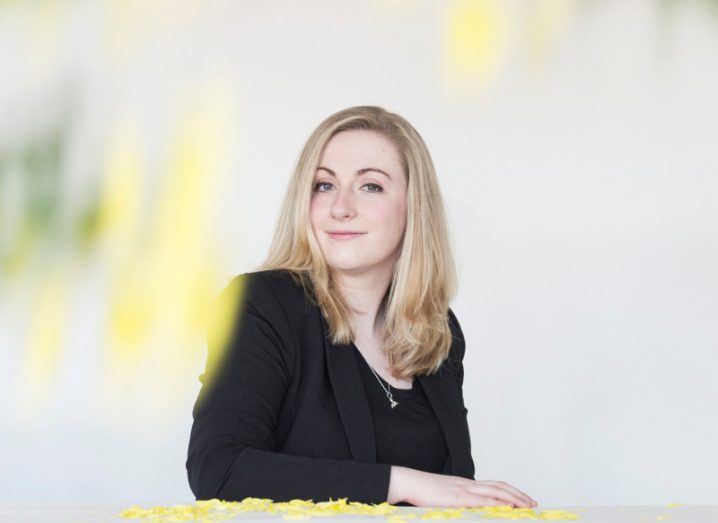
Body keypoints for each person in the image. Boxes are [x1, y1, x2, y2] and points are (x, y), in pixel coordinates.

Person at [186, 105, 538, 509]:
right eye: (323, 185)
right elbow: (219, 470)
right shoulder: (261, 305)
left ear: (413, 206)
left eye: (371, 186)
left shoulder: (437, 330)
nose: (341, 208)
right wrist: (401, 483)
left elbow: (453, 495)